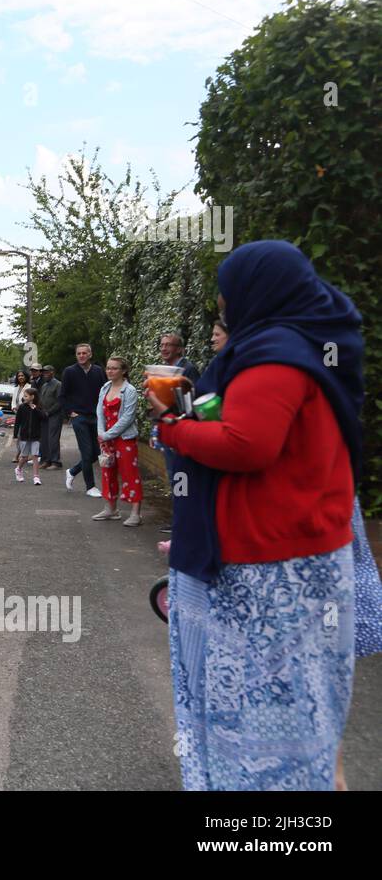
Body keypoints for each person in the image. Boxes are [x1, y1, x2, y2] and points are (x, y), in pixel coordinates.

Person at [151, 240, 363, 791]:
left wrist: (174, 428)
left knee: (263, 711)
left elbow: (249, 444)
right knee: (303, 707)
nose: (222, 305)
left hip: (270, 566)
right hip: (301, 549)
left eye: (227, 293)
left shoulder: (273, 353)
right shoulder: (311, 343)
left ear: (254, 291)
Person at [92, 356, 142, 526]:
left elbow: (128, 417)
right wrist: (101, 433)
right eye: (108, 368)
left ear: (123, 371)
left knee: (130, 473)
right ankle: (111, 509)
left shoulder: (130, 391)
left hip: (124, 438)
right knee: (107, 472)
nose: (110, 371)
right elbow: (99, 411)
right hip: (106, 437)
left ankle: (136, 513)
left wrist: (107, 435)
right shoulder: (105, 387)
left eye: (114, 368)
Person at [59, 344, 106, 497]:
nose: (81, 356)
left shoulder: (98, 372)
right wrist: (70, 412)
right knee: (86, 453)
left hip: (96, 417)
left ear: (90, 354)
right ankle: (90, 487)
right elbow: (62, 395)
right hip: (79, 417)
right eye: (79, 353)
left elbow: (104, 392)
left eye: (84, 353)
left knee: (95, 453)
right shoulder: (70, 372)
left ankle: (72, 471)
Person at [12, 386, 46, 485]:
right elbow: (17, 422)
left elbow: (44, 417)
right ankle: (18, 469)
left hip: (35, 436)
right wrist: (15, 435)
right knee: (25, 457)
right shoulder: (22, 407)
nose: (24, 398)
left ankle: (36, 477)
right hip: (24, 436)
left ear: (32, 397)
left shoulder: (38, 407)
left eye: (26, 396)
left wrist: (36, 410)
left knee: (35, 456)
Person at [38, 364, 63, 469]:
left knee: (53, 439)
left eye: (47, 372)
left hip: (55, 415)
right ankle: (46, 460)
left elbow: (60, 401)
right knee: (44, 439)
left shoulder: (58, 384)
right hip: (44, 415)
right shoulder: (44, 385)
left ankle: (55, 462)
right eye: (43, 372)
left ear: (52, 372)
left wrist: (49, 412)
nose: (45, 374)